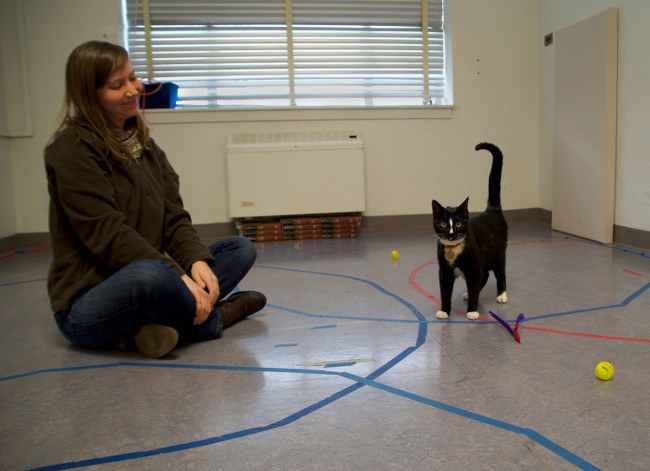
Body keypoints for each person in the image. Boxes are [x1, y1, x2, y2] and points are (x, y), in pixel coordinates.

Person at [44, 40, 266, 358]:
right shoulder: (70, 149)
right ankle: (216, 318)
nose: (133, 90)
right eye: (116, 85)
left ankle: (143, 331)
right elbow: (109, 235)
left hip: (153, 279)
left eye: (132, 78)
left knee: (239, 249)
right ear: (89, 95)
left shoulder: (145, 144)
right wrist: (177, 276)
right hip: (87, 303)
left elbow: (174, 218)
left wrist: (196, 263)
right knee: (149, 274)